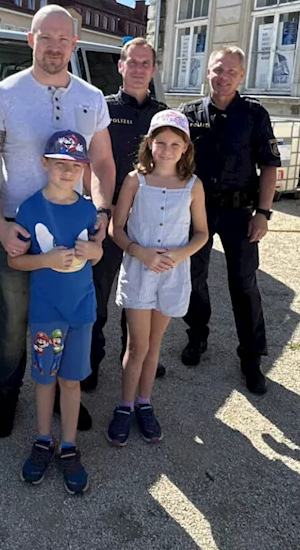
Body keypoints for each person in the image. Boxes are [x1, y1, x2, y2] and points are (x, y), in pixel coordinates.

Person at [0, 4, 115, 439]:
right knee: (16, 321)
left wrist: (104, 213)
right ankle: (7, 392)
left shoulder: (91, 99)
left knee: (69, 318)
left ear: (74, 43)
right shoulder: (2, 95)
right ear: (30, 40)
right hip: (18, 227)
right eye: (45, 37)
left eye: (63, 39)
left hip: (75, 230)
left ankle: (60, 395)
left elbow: (105, 163)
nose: (54, 46)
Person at [179, 46, 281, 395]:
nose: (223, 77)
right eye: (217, 70)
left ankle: (251, 356)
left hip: (240, 213)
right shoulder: (188, 115)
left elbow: (269, 166)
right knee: (194, 276)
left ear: (241, 76)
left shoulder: (254, 114)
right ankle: (197, 336)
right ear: (207, 71)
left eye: (231, 72)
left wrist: (263, 214)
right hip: (197, 211)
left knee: (244, 283)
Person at [8, 130, 103, 494]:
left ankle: (68, 446)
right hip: (47, 313)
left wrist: (94, 252)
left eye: (75, 165)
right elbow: (16, 263)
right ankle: (42, 440)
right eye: (59, 164)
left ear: (83, 168)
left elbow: (97, 250)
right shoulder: (29, 209)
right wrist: (45, 259)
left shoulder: (87, 209)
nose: (67, 171)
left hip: (81, 312)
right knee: (45, 379)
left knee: (71, 380)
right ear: (44, 164)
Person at [106, 110, 209, 446]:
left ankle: (144, 402)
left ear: (185, 149)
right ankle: (124, 405)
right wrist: (140, 252)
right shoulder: (135, 180)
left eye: (174, 144)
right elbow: (116, 228)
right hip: (140, 271)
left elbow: (201, 233)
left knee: (153, 346)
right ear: (149, 144)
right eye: (160, 142)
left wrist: (178, 256)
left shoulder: (193, 186)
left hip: (172, 275)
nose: (167, 149)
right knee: (136, 345)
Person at [86, 37, 169, 391]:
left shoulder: (163, 115)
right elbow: (91, 162)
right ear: (120, 67)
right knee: (99, 293)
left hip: (149, 220)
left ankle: (136, 356)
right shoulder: (102, 109)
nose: (137, 69)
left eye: (144, 63)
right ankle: (90, 362)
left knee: (141, 294)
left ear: (153, 69)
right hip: (110, 214)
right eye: (131, 62)